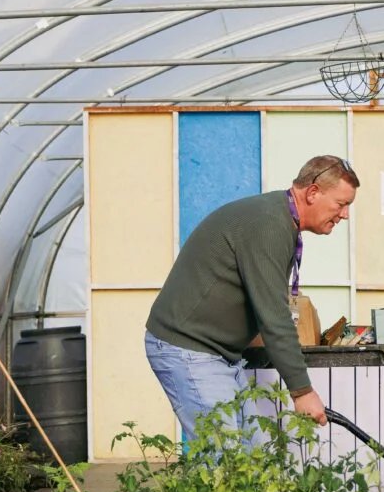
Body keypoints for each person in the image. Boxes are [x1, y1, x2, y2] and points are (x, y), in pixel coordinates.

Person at [144, 154, 358, 439]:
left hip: (218, 354)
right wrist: (302, 391)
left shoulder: (279, 219)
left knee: (253, 459)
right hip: (189, 349)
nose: (344, 214)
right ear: (313, 193)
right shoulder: (269, 224)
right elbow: (273, 315)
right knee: (227, 462)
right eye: (341, 204)